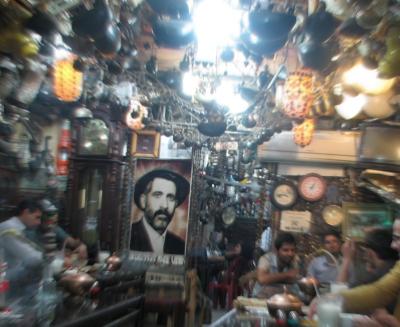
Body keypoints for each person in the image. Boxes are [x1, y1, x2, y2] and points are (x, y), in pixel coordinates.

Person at [309, 217, 400, 326]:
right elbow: (380, 292)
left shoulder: (380, 270)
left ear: (370, 252)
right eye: (394, 239)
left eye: (397, 239)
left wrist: (329, 299)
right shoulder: (394, 266)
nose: (393, 245)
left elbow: (377, 292)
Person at [130, 168, 190, 255]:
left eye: (171, 198)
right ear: (143, 201)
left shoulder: (179, 246)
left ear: (175, 204)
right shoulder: (128, 238)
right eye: (157, 195)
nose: (164, 205)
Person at [0, 199, 44, 299]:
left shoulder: (20, 228)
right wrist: (57, 261)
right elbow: (32, 258)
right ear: (26, 212)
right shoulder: (9, 228)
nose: (38, 222)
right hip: (7, 283)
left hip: (13, 280)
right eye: (37, 217)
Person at [252, 232, 300, 298]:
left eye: (292, 250)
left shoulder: (294, 260)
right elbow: (262, 279)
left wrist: (271, 278)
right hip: (260, 298)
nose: (290, 253)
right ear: (276, 251)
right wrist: (287, 275)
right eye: (285, 250)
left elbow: (294, 279)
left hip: (281, 298)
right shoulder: (266, 259)